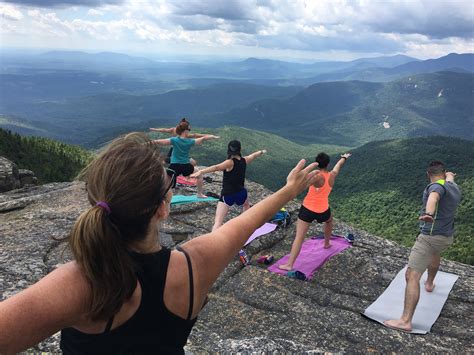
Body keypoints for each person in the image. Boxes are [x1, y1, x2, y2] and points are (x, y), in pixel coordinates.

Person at [0, 132, 319, 354]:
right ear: (163, 209)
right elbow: (243, 224)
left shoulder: (80, 282)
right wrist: (289, 191)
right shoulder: (193, 266)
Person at [384, 160, 461, 332]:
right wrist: (449, 175)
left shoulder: (436, 187)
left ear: (428, 175)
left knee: (412, 275)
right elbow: (449, 179)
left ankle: (405, 321)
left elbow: (433, 197)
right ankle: (430, 283)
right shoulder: (452, 185)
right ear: (444, 173)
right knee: (434, 254)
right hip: (446, 236)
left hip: (430, 237)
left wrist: (428, 214)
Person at [279, 152, 352, 271]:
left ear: (317, 163)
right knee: (329, 220)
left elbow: (304, 183)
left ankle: (289, 265)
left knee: (299, 237)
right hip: (323, 210)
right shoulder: (332, 175)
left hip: (307, 210)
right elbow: (338, 166)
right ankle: (327, 243)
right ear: (327, 164)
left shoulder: (317, 176)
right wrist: (344, 157)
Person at [191, 140, 266, 230]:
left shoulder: (230, 162)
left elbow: (216, 167)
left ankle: (213, 240)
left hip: (228, 195)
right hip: (241, 193)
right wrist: (261, 152)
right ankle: (245, 226)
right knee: (246, 206)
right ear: (240, 149)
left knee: (218, 221)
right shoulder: (244, 160)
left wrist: (201, 171)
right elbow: (253, 155)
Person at [153, 120, 219, 198]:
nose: (189, 132)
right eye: (189, 130)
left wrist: (146, 143)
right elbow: (203, 139)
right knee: (199, 174)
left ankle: (164, 197)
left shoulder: (174, 140)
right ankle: (199, 194)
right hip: (186, 166)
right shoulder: (189, 141)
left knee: (167, 182)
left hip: (174, 166)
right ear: (185, 131)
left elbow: (159, 142)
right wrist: (213, 136)